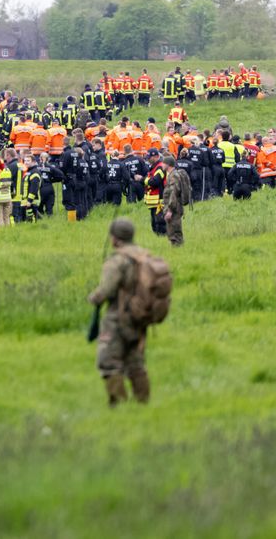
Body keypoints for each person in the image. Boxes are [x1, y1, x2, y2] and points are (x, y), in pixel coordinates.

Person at [87, 218, 152, 407]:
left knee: (108, 362)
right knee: (136, 364)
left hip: (118, 317)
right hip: (139, 316)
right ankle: (143, 403)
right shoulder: (143, 256)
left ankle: (119, 404)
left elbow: (106, 290)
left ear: (115, 239)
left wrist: (93, 298)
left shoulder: (117, 261)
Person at [159, 156, 185, 247]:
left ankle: (178, 250)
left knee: (175, 231)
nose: (162, 164)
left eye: (163, 163)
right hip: (173, 206)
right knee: (171, 230)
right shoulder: (171, 175)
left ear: (168, 164)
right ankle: (176, 249)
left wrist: (170, 210)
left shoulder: (174, 176)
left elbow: (174, 193)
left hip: (174, 207)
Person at [144, 149, 167, 236]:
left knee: (160, 223)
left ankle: (163, 239)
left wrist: (145, 180)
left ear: (156, 157)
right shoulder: (154, 167)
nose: (148, 160)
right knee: (154, 223)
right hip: (154, 201)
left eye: (150, 158)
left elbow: (155, 181)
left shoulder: (160, 167)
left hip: (159, 201)